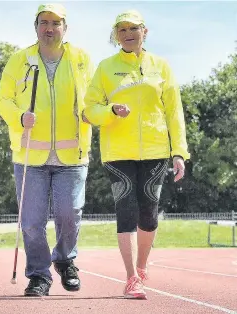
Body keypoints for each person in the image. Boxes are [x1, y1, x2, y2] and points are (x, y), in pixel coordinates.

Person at [82, 10, 190, 299]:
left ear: (145, 32)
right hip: (118, 152)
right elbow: (89, 110)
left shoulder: (161, 66)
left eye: (134, 28)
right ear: (116, 35)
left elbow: (174, 112)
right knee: (125, 210)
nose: (128, 33)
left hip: (156, 151)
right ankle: (131, 277)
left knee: (149, 214)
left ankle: (141, 267)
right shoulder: (106, 67)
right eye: (122, 30)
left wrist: (179, 152)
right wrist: (110, 111)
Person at [0, 3, 94, 297]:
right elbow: (3, 100)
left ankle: (65, 260)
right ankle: (39, 275)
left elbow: (94, 99)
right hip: (29, 157)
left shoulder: (81, 59)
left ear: (66, 27)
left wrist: (99, 112)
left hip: (72, 155)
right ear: (35, 27)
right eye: (43, 23)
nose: (49, 28)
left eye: (55, 23)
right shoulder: (19, 60)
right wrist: (19, 117)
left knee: (69, 213)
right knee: (31, 224)